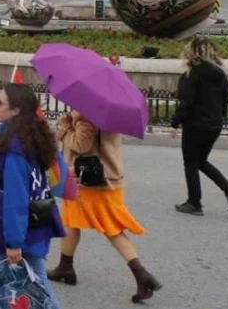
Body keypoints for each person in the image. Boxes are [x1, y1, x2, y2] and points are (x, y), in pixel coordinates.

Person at [0, 84, 65, 309]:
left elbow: (14, 198)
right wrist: (1, 141)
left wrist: (14, 243)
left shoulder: (15, 148)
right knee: (41, 288)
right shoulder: (34, 137)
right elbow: (53, 177)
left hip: (8, 230)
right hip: (33, 224)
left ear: (16, 111)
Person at [48, 110, 162, 303]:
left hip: (91, 183)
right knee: (70, 220)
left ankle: (142, 275)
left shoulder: (86, 115)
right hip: (106, 179)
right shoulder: (108, 114)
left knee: (112, 230)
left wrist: (65, 128)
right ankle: (65, 266)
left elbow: (82, 145)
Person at [171, 36, 228, 215]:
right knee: (200, 161)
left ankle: (194, 203)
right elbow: (225, 99)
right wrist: (219, 117)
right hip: (214, 125)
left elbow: (186, 102)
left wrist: (175, 123)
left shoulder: (191, 74)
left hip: (195, 125)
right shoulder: (220, 74)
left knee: (190, 162)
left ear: (192, 53)